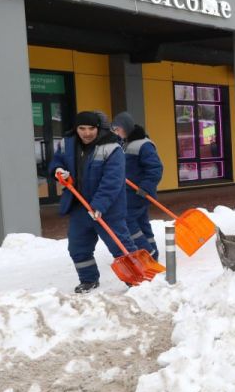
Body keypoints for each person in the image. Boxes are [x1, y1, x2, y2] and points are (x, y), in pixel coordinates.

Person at [50, 111, 137, 293]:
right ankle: (88, 280)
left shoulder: (112, 148)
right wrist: (59, 170)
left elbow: (112, 181)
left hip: (108, 209)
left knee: (119, 245)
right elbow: (56, 161)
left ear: (98, 128)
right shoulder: (68, 144)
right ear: (76, 129)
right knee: (78, 247)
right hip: (79, 206)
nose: (87, 133)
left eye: (91, 128)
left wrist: (99, 205)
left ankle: (136, 278)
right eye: (82, 128)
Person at [111, 111, 164, 260]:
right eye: (114, 129)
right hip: (130, 192)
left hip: (138, 192)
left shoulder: (144, 144)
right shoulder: (125, 144)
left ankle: (147, 252)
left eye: (118, 129)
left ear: (126, 127)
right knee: (142, 223)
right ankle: (153, 251)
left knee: (127, 221)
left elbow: (155, 168)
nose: (116, 132)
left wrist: (145, 188)